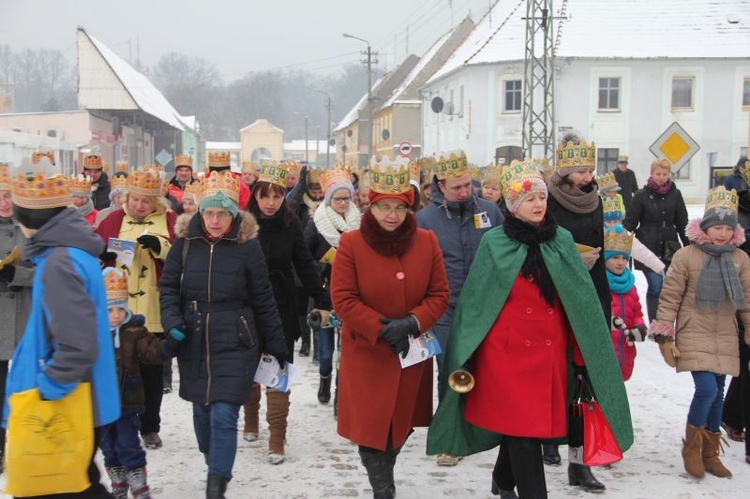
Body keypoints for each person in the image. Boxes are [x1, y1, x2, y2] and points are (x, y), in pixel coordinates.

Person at [426, 159, 633, 499]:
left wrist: (581, 356)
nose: (538, 205)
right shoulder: (495, 242)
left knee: (529, 430)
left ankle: (504, 481)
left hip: (550, 355)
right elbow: (478, 305)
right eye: (528, 199)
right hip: (505, 357)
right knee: (524, 432)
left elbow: (578, 304)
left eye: (541, 198)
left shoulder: (561, 240)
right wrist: (469, 354)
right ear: (512, 204)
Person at [160, 171, 287, 497]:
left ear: (234, 214)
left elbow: (263, 297)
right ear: (200, 212)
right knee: (202, 412)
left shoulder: (248, 247)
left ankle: (217, 482)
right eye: (209, 213)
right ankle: (211, 455)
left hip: (236, 338)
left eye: (223, 213)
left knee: (224, 412)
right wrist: (173, 322)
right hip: (194, 336)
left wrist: (275, 342)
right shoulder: (185, 243)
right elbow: (168, 288)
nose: (215, 220)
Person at [331, 158, 450, 499]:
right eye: (384, 207)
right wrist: (382, 329)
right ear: (371, 205)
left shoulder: (426, 241)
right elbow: (344, 298)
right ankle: (384, 489)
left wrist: (411, 322)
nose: (392, 215)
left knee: (401, 425)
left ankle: (385, 471)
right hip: (368, 352)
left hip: (411, 351)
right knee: (371, 431)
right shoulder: (352, 243)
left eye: (399, 207)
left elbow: (439, 294)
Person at [3, 155, 120, 497]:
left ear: (27, 218)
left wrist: (46, 390)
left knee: (61, 488)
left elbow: (77, 344)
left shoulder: (59, 263)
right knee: (77, 484)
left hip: (66, 400)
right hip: (83, 394)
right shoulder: (70, 252)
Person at [650, 186, 750, 479]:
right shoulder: (686, 256)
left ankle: (709, 452)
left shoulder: (740, 260)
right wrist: (665, 335)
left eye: (727, 228)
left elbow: (746, 299)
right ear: (705, 226)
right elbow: (670, 297)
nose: (722, 234)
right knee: (706, 389)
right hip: (695, 330)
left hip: (725, 334)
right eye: (717, 227)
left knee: (718, 394)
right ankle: (692, 448)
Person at [417, 151, 503, 467]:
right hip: (444, 307)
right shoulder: (425, 219)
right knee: (449, 367)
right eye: (457, 188)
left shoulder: (490, 211)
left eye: (468, 185)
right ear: (441, 185)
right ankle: (449, 438)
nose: (465, 192)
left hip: (484, 306)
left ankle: (483, 428)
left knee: (484, 367)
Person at [245, 161, 332, 464]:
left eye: (277, 196)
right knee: (250, 365)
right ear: (255, 196)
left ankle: (277, 437)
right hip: (247, 303)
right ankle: (251, 417)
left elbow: (304, 263)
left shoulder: (291, 223)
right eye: (265, 196)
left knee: (279, 365)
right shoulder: (241, 224)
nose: (271, 203)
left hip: (281, 302)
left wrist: (323, 298)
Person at [97, 166, 178, 450]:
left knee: (151, 371)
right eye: (135, 200)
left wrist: (160, 245)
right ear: (127, 198)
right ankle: (117, 422)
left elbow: (180, 256)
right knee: (118, 368)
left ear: (155, 202)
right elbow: (95, 251)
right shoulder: (112, 220)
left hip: (153, 306)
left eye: (145, 201)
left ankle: (150, 426)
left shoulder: (169, 220)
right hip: (116, 307)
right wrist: (104, 253)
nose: (139, 206)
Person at [544, 134, 610, 486]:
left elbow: (605, 240)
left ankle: (579, 461)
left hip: (592, 289)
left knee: (584, 383)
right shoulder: (548, 200)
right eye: (581, 171)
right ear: (565, 171)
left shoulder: (596, 200)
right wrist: (569, 259)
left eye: (589, 170)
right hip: (556, 292)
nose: (587, 177)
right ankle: (548, 439)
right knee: (556, 376)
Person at [100, 268, 183, 499]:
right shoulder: (92, 333)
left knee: (128, 442)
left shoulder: (135, 332)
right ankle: (117, 477)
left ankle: (137, 477)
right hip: (102, 405)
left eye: (120, 309)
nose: (115, 315)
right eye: (109, 310)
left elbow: (152, 352)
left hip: (128, 400)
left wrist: (169, 345)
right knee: (108, 445)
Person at [305, 166, 361, 405]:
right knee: (327, 352)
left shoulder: (358, 223)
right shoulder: (316, 224)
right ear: (329, 199)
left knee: (346, 351)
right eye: (338, 199)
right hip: (325, 294)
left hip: (352, 294)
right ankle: (324, 378)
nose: (343, 203)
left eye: (347, 198)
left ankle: (341, 393)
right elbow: (304, 259)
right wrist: (326, 262)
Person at [623, 157, 689, 322]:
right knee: (655, 285)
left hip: (670, 246)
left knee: (669, 287)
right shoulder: (641, 195)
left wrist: (689, 245)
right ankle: (655, 323)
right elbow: (630, 221)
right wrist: (621, 242)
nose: (661, 177)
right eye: (658, 173)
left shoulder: (675, 194)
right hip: (648, 245)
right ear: (651, 174)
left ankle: (666, 321)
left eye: (665, 174)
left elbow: (682, 222)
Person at [0, 161, 34, 472]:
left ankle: (23, 443)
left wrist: (15, 273)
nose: (4, 201)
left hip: (25, 316)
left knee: (24, 387)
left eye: (9, 195)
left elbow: (47, 270)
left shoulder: (31, 229)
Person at [722, 159, 750, 460]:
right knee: (745, 364)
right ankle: (735, 417)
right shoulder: (736, 211)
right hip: (742, 294)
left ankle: (732, 415)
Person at [603, 225, 647, 381]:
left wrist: (639, 327)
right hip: (604, 353)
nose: (620, 262)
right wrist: (608, 321)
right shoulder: (599, 283)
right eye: (615, 257)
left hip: (625, 350)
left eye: (624, 258)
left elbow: (637, 313)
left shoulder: (630, 285)